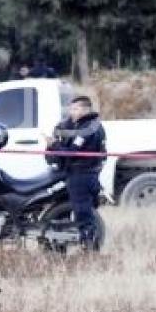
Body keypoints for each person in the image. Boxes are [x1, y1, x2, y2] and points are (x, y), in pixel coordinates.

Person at [44, 95, 106, 250]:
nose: (72, 112)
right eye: (71, 108)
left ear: (86, 109)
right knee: (83, 211)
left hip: (81, 175)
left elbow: (72, 152)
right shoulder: (88, 125)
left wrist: (54, 145)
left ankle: (90, 246)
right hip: (88, 173)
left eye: (75, 108)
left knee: (82, 212)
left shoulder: (88, 128)